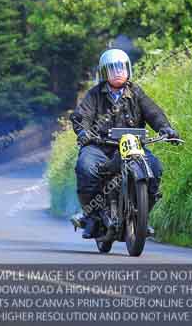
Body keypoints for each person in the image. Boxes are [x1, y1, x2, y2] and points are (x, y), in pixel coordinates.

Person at [70, 48, 179, 239]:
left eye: (122, 67)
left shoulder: (136, 92)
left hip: (132, 145)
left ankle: (142, 217)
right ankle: (93, 217)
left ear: (128, 69)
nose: (119, 71)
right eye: (113, 68)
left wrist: (166, 129)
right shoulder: (95, 94)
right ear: (104, 73)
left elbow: (153, 113)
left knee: (154, 168)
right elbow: (82, 116)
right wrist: (83, 132)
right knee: (86, 168)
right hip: (99, 146)